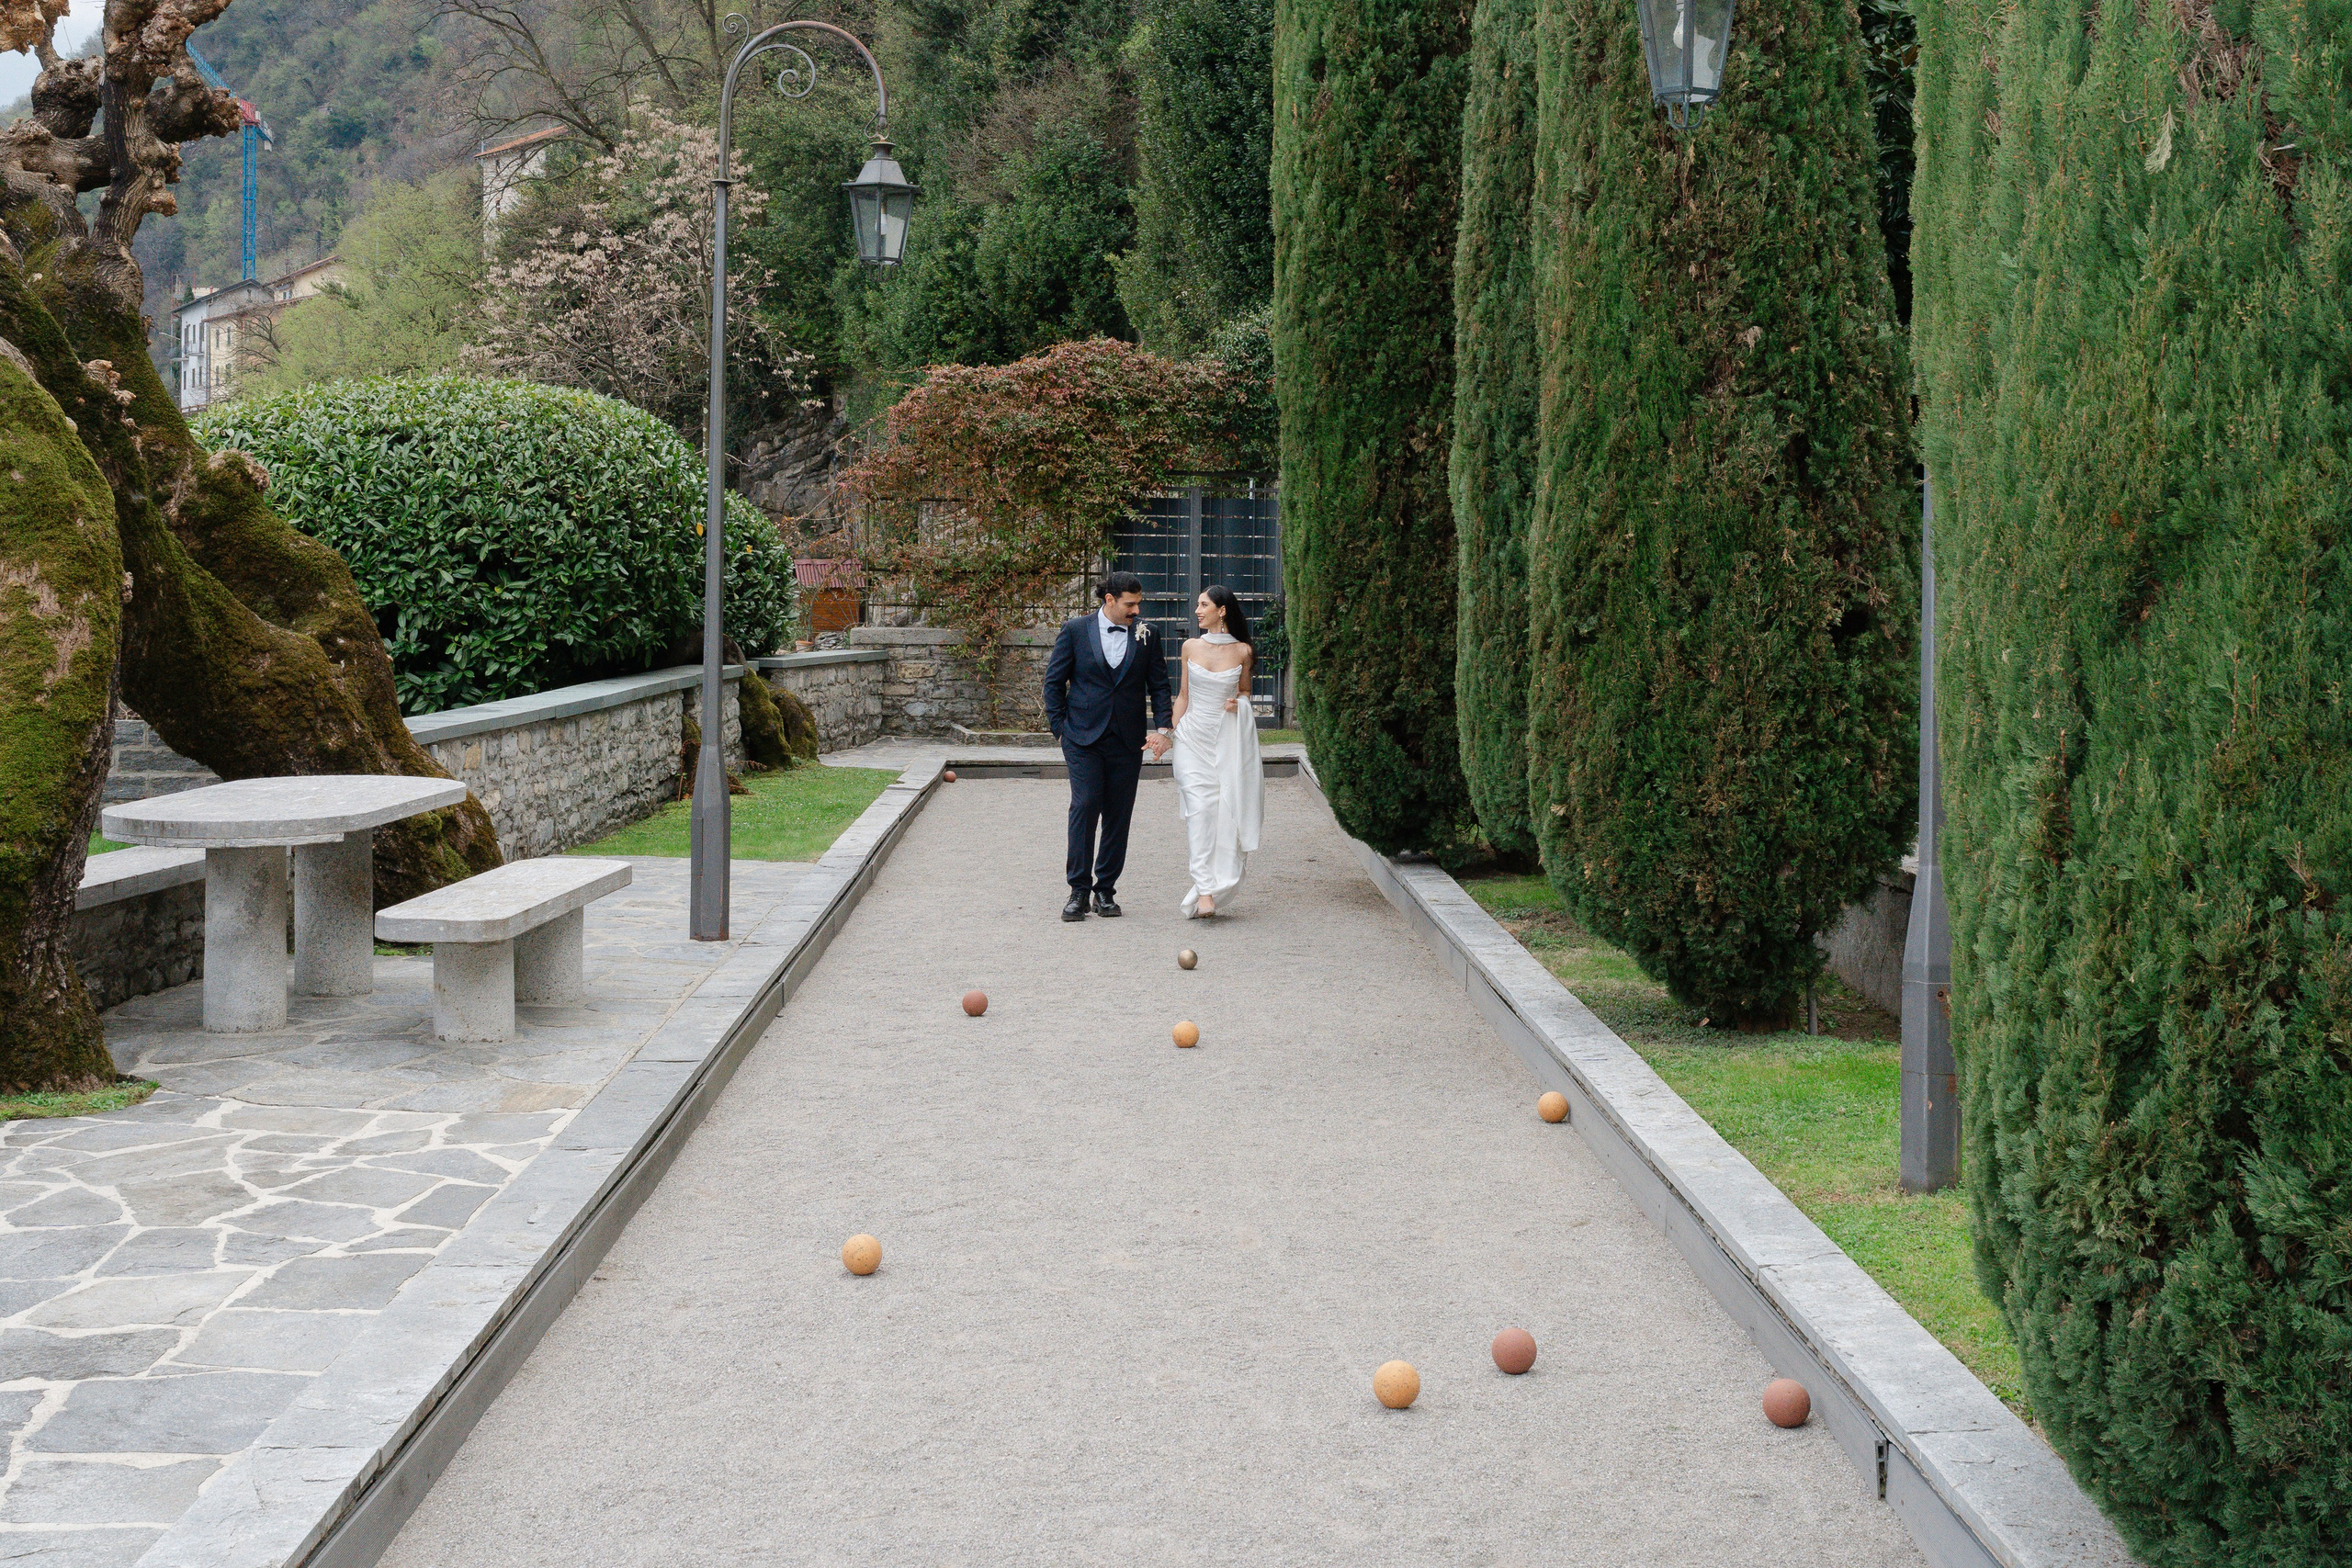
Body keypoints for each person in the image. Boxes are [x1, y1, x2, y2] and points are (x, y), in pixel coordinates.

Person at [1042, 571, 1173, 921]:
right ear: (1109, 600)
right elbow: (1053, 683)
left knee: (1118, 814)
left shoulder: (1149, 634)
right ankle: (1078, 891)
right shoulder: (1075, 630)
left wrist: (1163, 728)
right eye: (1130, 604)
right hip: (1082, 737)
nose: (1136, 610)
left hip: (1128, 739)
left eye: (1139, 603)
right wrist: (1060, 730)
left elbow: (1159, 686)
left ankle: (1106, 891)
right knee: (1085, 806)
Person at [1169, 584, 1263, 918]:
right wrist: (1169, 733)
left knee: (1223, 813)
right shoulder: (1190, 647)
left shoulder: (1243, 651)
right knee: (1200, 809)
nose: (1197, 610)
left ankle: (1213, 882)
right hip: (1192, 739)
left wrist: (1238, 705)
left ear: (1221, 611)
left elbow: (1245, 694)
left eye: (1203, 604)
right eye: (1197, 604)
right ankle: (1205, 890)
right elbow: (1183, 696)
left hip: (1224, 742)